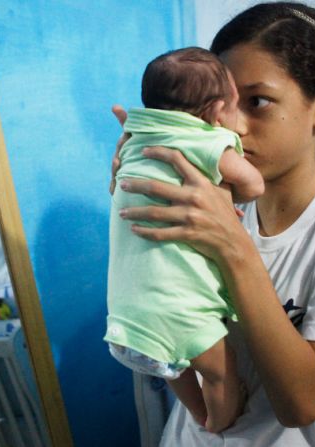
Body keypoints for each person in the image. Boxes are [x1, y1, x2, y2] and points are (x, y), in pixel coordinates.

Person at [110, 2, 315, 446]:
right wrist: (137, 184)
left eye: (258, 102)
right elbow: (164, 316)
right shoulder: (201, 198)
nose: (233, 125)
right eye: (220, 105)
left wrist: (233, 247)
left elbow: (300, 405)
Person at [105, 47, 264, 433]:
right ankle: (218, 427)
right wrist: (225, 193)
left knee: (176, 363)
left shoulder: (134, 144)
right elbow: (253, 184)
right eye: (237, 106)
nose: (239, 124)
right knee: (221, 375)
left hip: (128, 322)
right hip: (181, 312)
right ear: (214, 113)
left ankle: (197, 413)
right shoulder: (205, 141)